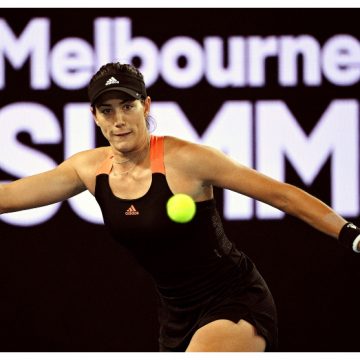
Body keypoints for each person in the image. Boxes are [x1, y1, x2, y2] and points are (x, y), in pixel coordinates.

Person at [0, 62, 359, 352]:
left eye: (128, 106)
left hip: (234, 301)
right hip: (175, 317)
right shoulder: (87, 168)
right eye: (107, 110)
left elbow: (281, 195)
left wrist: (350, 234)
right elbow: (10, 196)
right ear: (95, 116)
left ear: (146, 106)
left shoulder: (188, 160)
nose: (119, 120)